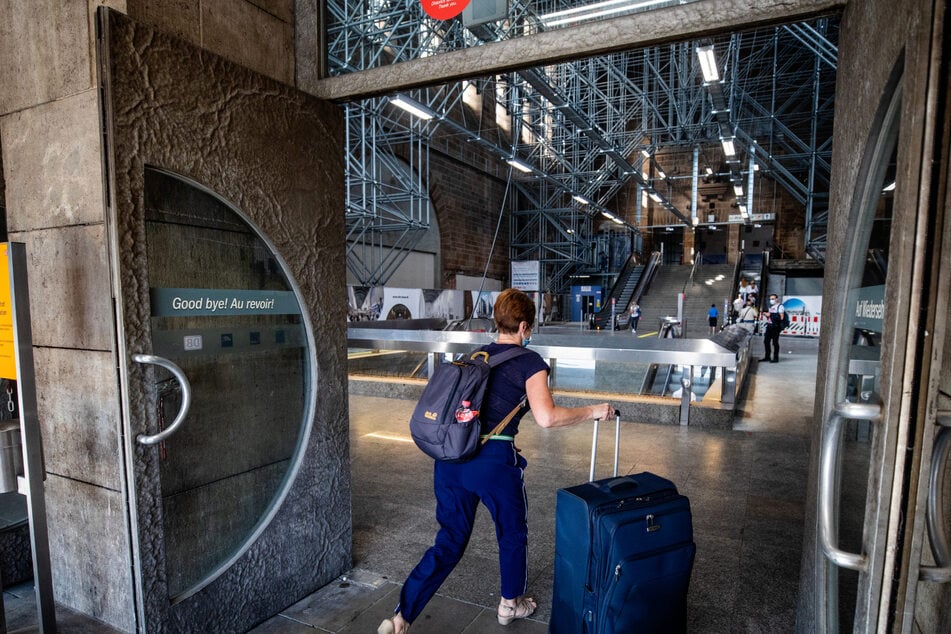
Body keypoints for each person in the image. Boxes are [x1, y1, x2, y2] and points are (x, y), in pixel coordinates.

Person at [378, 289, 614, 634]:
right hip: (492, 462)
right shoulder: (530, 362)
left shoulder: (475, 355)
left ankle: (401, 617)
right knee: (512, 532)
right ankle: (509, 604)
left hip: (451, 458)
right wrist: (593, 411)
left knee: (448, 541)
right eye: (529, 327)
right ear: (523, 326)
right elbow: (547, 418)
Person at [761, 293, 786, 362]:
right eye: (770, 299)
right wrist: (767, 315)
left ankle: (775, 358)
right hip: (769, 325)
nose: (771, 300)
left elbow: (781, 317)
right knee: (766, 341)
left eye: (773, 299)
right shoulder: (771, 307)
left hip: (775, 327)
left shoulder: (780, 307)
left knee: (775, 342)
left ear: (776, 299)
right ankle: (767, 356)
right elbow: (770, 317)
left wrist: (770, 314)